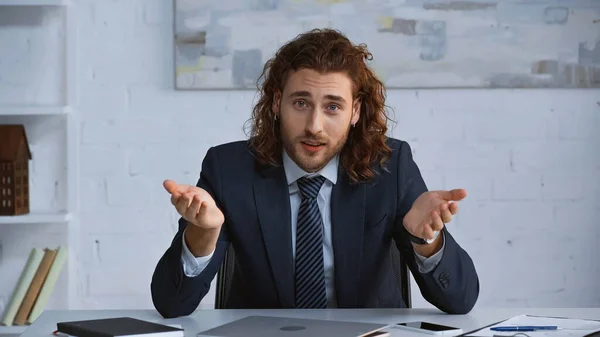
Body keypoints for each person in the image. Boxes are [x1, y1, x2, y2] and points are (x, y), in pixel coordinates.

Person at [151, 28, 479, 319]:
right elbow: (171, 305)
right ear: (277, 102)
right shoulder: (228, 168)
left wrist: (427, 242)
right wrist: (203, 236)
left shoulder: (391, 166)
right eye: (301, 103)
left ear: (356, 112)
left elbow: (460, 301)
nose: (314, 127)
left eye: (333, 106)